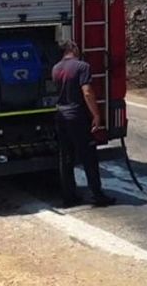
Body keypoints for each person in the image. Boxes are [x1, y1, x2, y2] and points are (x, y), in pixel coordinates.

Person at [52, 41, 116, 207]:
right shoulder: (82, 67)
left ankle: (69, 196)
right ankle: (97, 194)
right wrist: (96, 114)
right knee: (89, 157)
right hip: (77, 117)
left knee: (66, 157)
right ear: (73, 49)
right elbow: (87, 91)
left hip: (60, 116)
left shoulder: (56, 69)